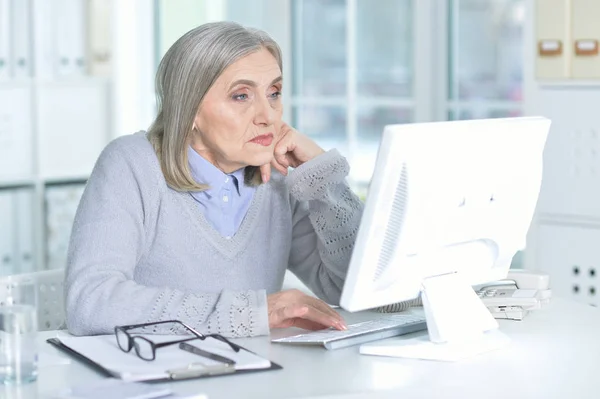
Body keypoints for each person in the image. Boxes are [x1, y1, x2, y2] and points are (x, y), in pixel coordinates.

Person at [65, 21, 363, 337]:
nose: (268, 116)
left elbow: (355, 289)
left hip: (248, 374)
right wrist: (249, 313)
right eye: (241, 96)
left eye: (274, 93)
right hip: (144, 376)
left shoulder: (277, 177)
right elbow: (90, 301)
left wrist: (322, 176)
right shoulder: (131, 163)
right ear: (190, 107)